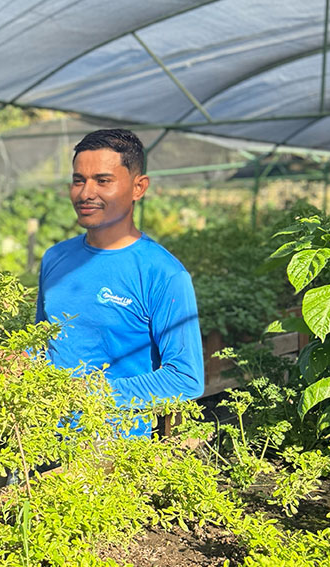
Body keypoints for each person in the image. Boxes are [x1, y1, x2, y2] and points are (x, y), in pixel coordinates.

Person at [35, 128, 203, 437]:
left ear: (139, 187)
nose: (86, 193)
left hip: (115, 456)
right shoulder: (55, 259)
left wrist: (92, 394)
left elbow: (185, 378)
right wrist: (19, 360)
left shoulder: (163, 274)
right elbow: (45, 343)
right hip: (40, 442)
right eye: (78, 180)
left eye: (103, 181)